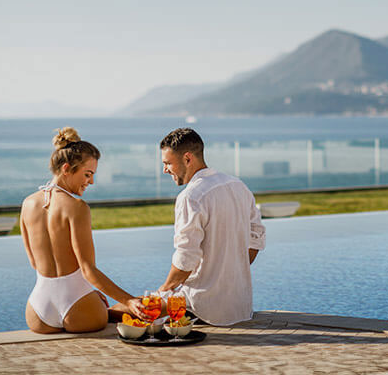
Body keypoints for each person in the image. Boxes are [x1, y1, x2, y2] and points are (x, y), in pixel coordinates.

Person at [20, 127, 147, 333]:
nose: (91, 181)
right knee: (129, 308)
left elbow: (34, 262)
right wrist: (129, 300)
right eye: (87, 174)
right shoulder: (77, 207)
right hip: (78, 307)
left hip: (38, 311)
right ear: (66, 168)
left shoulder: (27, 204)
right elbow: (88, 270)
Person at [158, 128, 266, 326]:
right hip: (239, 307)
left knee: (132, 308)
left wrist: (162, 291)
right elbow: (256, 239)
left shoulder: (190, 197)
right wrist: (227, 271)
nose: (165, 170)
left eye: (167, 163)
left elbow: (185, 259)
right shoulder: (238, 186)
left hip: (200, 308)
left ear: (187, 158)